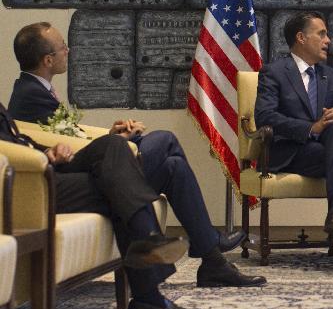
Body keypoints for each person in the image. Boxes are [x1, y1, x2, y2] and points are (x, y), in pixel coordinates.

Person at [8, 22, 265, 289]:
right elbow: (57, 150)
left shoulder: (34, 89)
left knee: (173, 167)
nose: (68, 50)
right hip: (78, 179)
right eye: (63, 47)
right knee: (165, 140)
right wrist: (116, 145)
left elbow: (65, 138)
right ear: (48, 60)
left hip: (88, 166)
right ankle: (210, 243)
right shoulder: (30, 95)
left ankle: (213, 263)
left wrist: (110, 136)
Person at [0, 101, 206, 309]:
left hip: (46, 167)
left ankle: (149, 254)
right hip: (28, 182)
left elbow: (17, 140)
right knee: (119, 184)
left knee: (112, 144)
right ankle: (149, 289)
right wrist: (40, 159)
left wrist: (49, 151)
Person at [254, 11, 333, 273]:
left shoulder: (330, 75)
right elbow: (265, 117)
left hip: (326, 151)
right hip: (291, 152)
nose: (328, 40)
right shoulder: (274, 72)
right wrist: (311, 127)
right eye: (321, 34)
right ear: (301, 38)